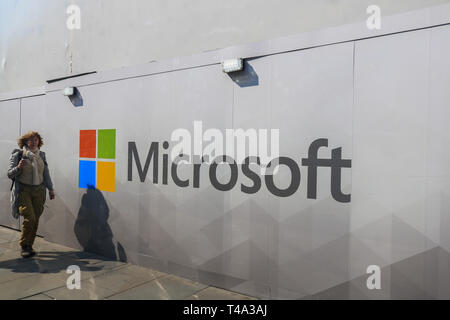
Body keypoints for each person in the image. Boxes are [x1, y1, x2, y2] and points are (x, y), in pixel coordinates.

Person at [7, 131, 55, 258]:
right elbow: (10, 174)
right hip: (24, 190)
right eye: (30, 140)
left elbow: (46, 174)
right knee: (30, 217)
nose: (33, 142)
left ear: (39, 142)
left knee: (36, 218)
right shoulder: (18, 155)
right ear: (25, 142)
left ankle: (29, 245)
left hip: (39, 190)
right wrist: (18, 167)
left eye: (36, 140)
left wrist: (50, 189)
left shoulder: (42, 155)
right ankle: (24, 245)